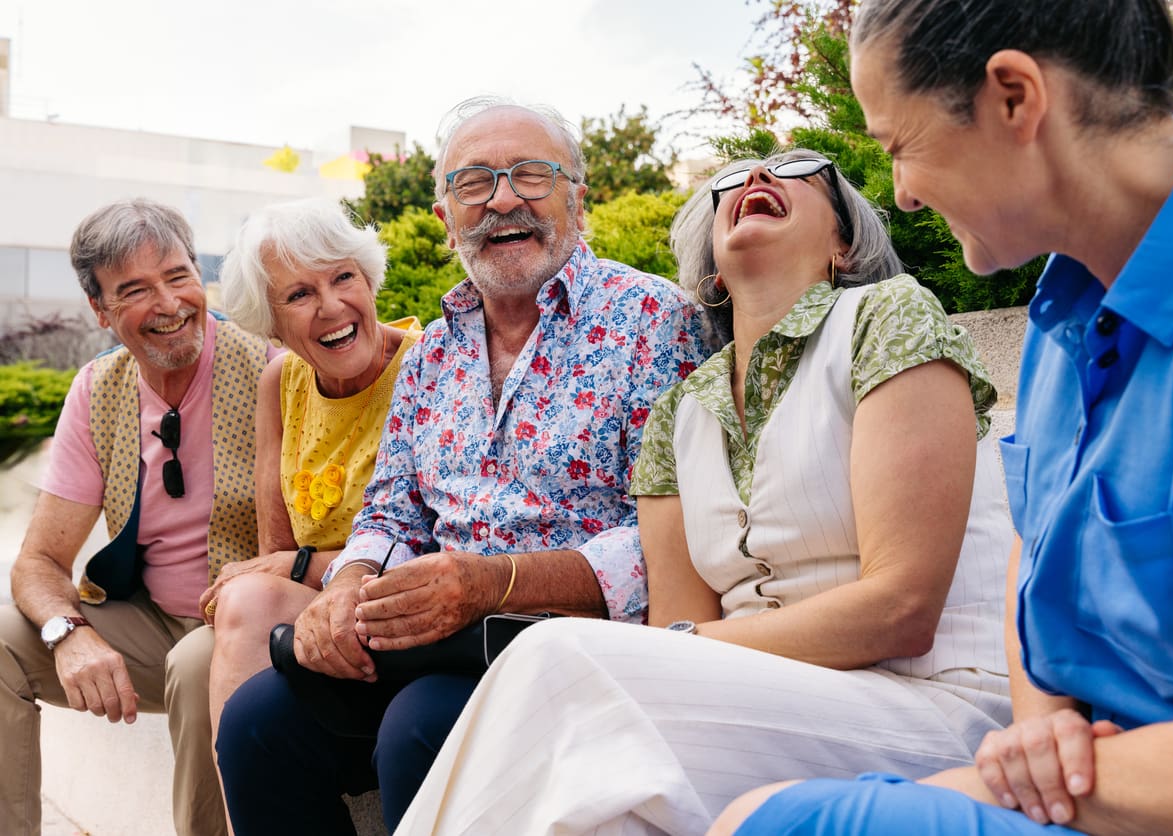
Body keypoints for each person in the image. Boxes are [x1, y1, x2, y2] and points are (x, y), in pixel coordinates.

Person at [713, 1, 1173, 834]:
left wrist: (1014, 771)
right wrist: (1037, 727)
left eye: (900, 148)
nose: (904, 196)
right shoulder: (1064, 311)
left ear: (1013, 97)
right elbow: (1031, 548)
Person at [393, 148, 1015, 836]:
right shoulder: (680, 413)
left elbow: (899, 610)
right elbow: (672, 637)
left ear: (842, 244)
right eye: (730, 181)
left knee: (553, 656)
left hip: (936, 704)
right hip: (772, 708)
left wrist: (680, 647)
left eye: (798, 171)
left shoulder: (885, 317)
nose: (755, 178)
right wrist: (677, 647)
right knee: (604, 816)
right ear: (712, 268)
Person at [214, 96, 713, 834]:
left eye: (530, 174)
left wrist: (495, 583)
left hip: (572, 645)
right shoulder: (433, 356)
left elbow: (681, 535)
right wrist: (347, 587)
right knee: (256, 721)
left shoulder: (654, 321)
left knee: (422, 723)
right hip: (435, 639)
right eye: (473, 182)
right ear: (447, 219)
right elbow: (391, 511)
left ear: (578, 198)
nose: (503, 197)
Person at [0, 199, 275, 836]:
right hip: (149, 624)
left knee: (201, 664)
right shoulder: (98, 388)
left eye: (178, 276)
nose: (170, 304)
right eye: (134, 290)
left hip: (251, 621)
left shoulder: (268, 363)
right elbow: (39, 563)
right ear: (100, 311)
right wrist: (68, 634)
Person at [204, 197, 421, 755]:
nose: (331, 306)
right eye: (299, 294)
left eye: (342, 277)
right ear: (270, 322)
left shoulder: (429, 365)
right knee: (186, 664)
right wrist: (280, 568)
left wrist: (301, 564)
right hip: (309, 605)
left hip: (402, 605)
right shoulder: (281, 381)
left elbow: (450, 546)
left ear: (369, 281)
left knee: (236, 619)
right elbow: (271, 552)